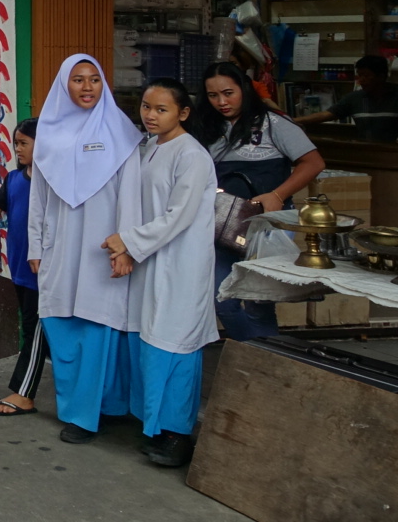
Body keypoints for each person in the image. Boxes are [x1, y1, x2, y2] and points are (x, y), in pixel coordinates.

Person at [28, 54, 143, 445]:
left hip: (103, 246)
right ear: (65, 84)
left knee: (99, 325)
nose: (87, 86)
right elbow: (38, 198)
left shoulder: (122, 133)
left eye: (94, 79)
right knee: (61, 324)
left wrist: (126, 246)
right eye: (78, 79)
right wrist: (35, 246)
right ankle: (86, 405)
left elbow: (130, 197)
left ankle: (88, 414)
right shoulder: (48, 134)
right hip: (60, 247)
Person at [102, 78, 217, 468]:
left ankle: (177, 435)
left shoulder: (192, 155)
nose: (150, 115)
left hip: (181, 263)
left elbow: (179, 216)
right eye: (146, 107)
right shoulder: (150, 147)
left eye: (161, 109)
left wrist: (127, 241)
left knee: (177, 344)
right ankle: (153, 425)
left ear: (183, 113)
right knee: (149, 339)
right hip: (151, 260)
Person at [191, 61, 324, 340]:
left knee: (258, 302)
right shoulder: (204, 127)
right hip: (222, 224)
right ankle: (252, 351)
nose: (221, 102)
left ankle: (266, 358)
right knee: (222, 300)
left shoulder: (274, 123)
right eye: (213, 95)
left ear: (244, 89)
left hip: (269, 223)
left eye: (228, 93)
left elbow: (313, 163)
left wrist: (278, 195)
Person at [0, 118, 46, 417]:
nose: (17, 149)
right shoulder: (14, 179)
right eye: (16, 143)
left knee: (35, 331)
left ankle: (24, 392)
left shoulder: (50, 184)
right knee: (33, 329)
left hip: (41, 272)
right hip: (19, 269)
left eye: (24, 143)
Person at [297, 54, 397, 125]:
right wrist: (293, 121)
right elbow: (326, 115)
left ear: (381, 76)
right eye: (359, 75)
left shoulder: (395, 96)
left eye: (366, 75)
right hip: (366, 147)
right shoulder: (355, 98)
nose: (361, 80)